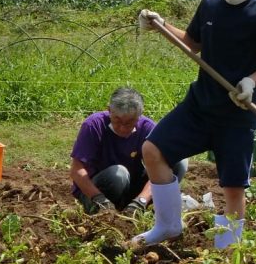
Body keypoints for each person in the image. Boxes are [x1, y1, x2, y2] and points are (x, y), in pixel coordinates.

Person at [135, 0, 256, 248]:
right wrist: (161, 25)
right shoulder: (210, 4)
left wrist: (251, 81)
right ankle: (167, 226)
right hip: (200, 105)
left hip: (237, 114)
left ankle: (226, 248)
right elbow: (192, 43)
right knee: (152, 150)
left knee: (233, 187)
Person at [70, 87, 187, 215]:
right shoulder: (93, 125)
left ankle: (144, 208)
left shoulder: (148, 128)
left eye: (130, 122)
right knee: (119, 174)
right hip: (96, 190)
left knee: (178, 161)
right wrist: (99, 198)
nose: (123, 128)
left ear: (139, 115)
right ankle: (103, 211)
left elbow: (162, 166)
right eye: (117, 120)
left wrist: (141, 200)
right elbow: (77, 170)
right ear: (109, 111)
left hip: (131, 187)